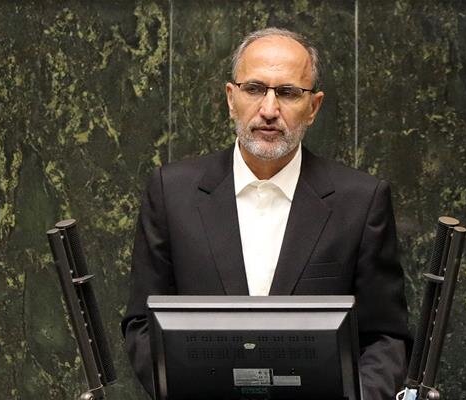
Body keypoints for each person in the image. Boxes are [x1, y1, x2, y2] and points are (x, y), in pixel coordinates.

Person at [122, 27, 410, 400]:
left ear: (314, 107)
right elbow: (142, 324)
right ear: (231, 98)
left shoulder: (361, 200)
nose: (269, 110)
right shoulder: (170, 192)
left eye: (288, 92)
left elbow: (386, 337)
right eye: (255, 89)